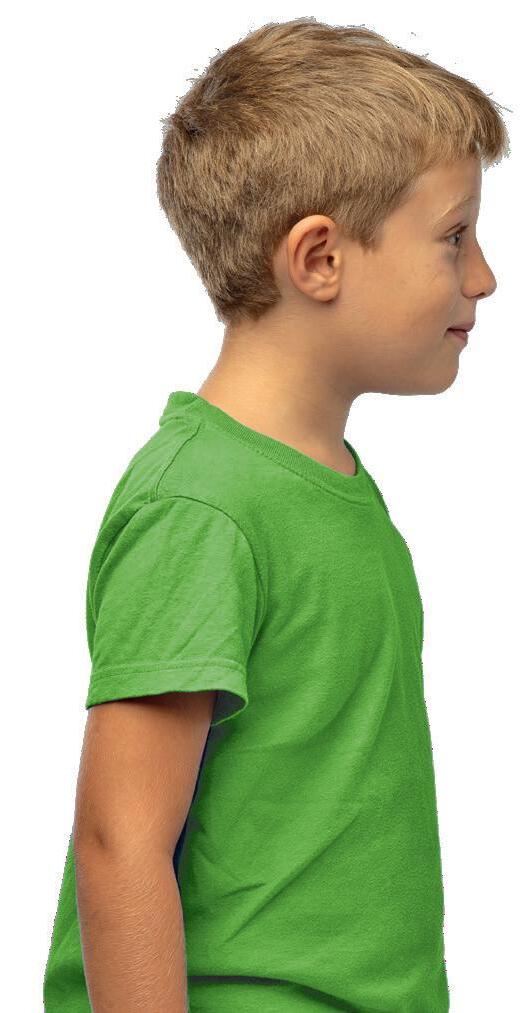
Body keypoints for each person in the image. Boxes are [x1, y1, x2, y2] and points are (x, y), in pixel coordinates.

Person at [43, 16, 509, 1013]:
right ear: (319, 258)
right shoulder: (202, 506)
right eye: (453, 236)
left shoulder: (324, 481)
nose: (482, 277)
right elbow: (120, 839)